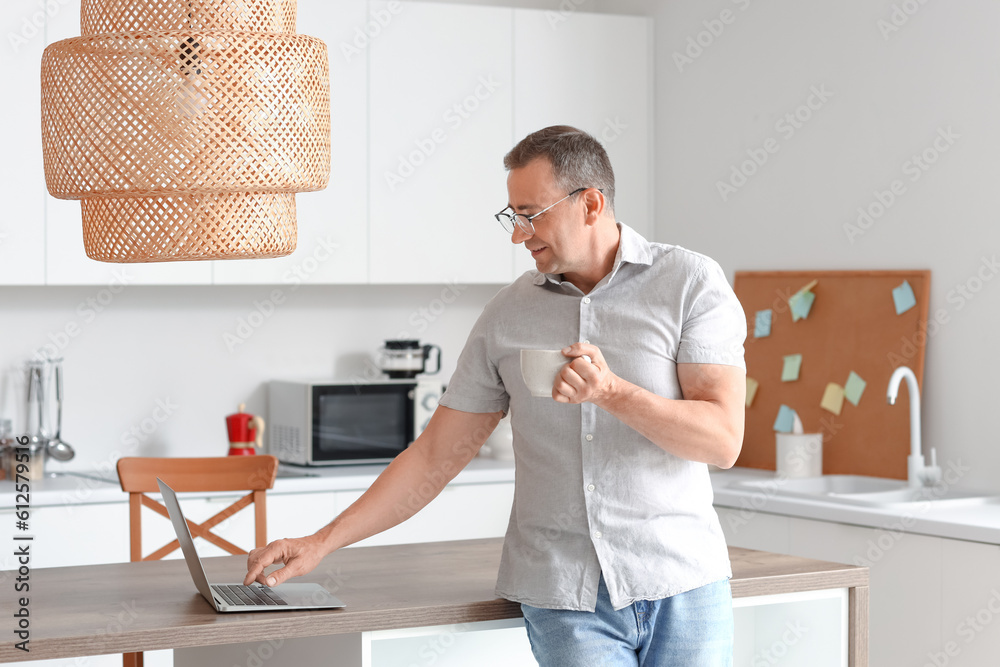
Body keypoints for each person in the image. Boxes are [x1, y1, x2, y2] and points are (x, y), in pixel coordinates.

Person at [245, 125, 747, 666]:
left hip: (684, 582)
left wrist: (611, 392)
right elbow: (435, 457)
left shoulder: (690, 283)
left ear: (591, 204)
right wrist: (322, 541)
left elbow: (721, 441)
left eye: (531, 214)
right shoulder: (506, 315)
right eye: (513, 216)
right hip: (564, 594)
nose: (518, 235)